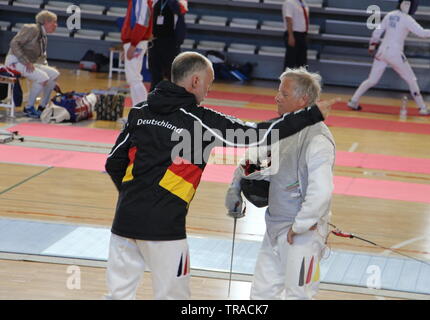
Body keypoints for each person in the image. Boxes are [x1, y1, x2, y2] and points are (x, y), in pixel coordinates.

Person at [104, 51, 337, 300]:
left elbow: (113, 163)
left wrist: (135, 197)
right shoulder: (201, 122)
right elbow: (256, 133)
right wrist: (311, 115)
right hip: (164, 229)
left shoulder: (140, 111)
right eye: (209, 83)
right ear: (195, 81)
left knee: (117, 295)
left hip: (124, 222)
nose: (209, 90)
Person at [225, 67, 335, 300]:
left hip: (302, 235)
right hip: (274, 228)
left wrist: (301, 225)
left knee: (298, 295)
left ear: (303, 99)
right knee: (261, 294)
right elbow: (252, 164)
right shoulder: (281, 130)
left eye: (284, 94)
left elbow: (321, 191)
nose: (277, 97)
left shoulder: (317, 139)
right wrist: (235, 187)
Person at [347, 0, 430, 115]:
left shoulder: (390, 15)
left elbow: (377, 32)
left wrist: (372, 45)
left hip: (382, 52)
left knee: (372, 80)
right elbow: (423, 33)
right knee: (411, 79)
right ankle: (422, 107)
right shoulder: (407, 19)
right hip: (395, 54)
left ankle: (353, 100)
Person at [5, 10, 59, 118]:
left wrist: (52, 81)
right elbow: (14, 43)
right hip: (15, 61)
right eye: (54, 22)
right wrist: (25, 61)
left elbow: (42, 59)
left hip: (27, 63)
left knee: (54, 74)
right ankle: (29, 108)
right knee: (43, 78)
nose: (56, 25)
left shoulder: (44, 37)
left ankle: (42, 107)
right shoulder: (32, 29)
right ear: (46, 22)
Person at [148, 0, 187, 91]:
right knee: (155, 73)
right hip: (155, 42)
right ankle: (154, 98)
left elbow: (180, 24)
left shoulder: (177, 3)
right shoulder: (156, 3)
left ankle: (175, 99)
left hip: (170, 44)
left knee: (173, 75)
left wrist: (178, 42)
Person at [121, 0, 153, 106]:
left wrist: (133, 44)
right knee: (133, 78)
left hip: (136, 42)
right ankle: (140, 111)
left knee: (134, 79)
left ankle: (142, 112)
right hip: (134, 42)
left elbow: (142, 22)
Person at [282, 0, 310, 70]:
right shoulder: (289, 2)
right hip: (294, 33)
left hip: (302, 34)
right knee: (290, 61)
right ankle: (287, 80)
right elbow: (288, 19)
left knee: (302, 62)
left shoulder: (303, 3)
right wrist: (291, 36)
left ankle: (301, 80)